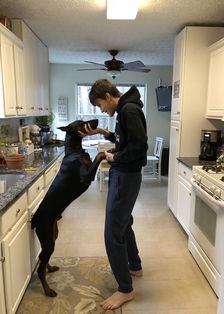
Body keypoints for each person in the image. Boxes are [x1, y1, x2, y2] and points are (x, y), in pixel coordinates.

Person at [79, 79, 148, 310]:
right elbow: (124, 139)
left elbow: (139, 147)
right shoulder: (127, 108)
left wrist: (113, 157)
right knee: (124, 223)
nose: (101, 110)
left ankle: (125, 290)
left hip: (125, 177)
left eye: (100, 104)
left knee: (112, 233)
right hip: (127, 176)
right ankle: (135, 265)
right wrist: (102, 132)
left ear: (108, 96)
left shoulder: (128, 110)